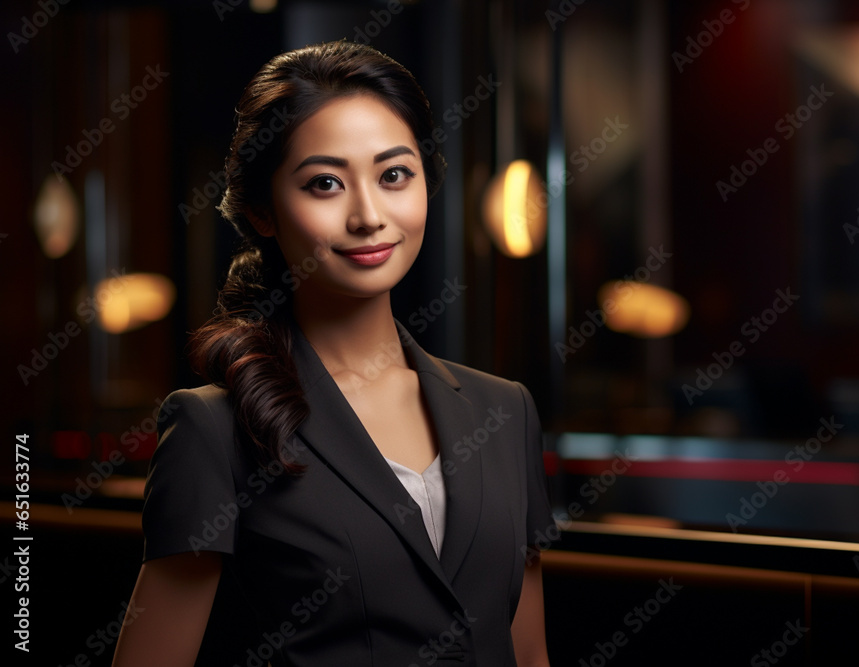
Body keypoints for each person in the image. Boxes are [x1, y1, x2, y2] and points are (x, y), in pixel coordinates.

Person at [112, 40, 555, 667]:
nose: (369, 215)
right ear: (264, 212)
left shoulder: (505, 411)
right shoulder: (212, 429)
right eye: (325, 184)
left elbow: (529, 653)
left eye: (394, 174)